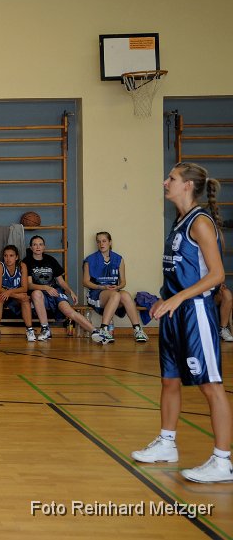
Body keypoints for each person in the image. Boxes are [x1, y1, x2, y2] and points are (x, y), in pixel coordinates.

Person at [132, 162, 231, 483]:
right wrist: (165, 297)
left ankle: (223, 461)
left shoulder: (199, 222)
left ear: (187, 185)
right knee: (169, 380)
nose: (165, 182)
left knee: (211, 385)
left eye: (172, 178)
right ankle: (167, 443)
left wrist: (179, 298)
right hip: (174, 313)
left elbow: (217, 275)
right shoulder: (178, 221)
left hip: (196, 313)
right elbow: (181, 270)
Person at [23, 235, 101, 342]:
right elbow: (29, 285)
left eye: (40, 244)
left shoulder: (50, 260)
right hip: (40, 295)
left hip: (54, 291)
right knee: (36, 293)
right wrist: (45, 287)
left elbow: (61, 281)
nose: (38, 247)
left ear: (44, 247)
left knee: (67, 310)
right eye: (35, 244)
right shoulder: (26, 262)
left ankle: (96, 332)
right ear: (31, 247)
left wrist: (70, 292)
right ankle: (45, 329)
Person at [82, 231, 149, 343]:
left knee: (126, 295)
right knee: (115, 295)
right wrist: (102, 287)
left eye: (104, 241)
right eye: (98, 242)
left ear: (110, 242)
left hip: (113, 291)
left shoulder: (119, 259)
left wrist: (117, 287)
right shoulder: (90, 260)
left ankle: (138, 330)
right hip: (96, 293)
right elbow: (85, 282)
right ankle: (103, 330)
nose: (101, 244)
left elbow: (123, 282)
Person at [0, 245, 34, 342]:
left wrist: (10, 292)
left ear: (16, 257)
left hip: (12, 292)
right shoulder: (0, 266)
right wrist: (14, 295)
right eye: (5, 256)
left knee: (25, 299)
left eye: (11, 255)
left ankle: (30, 330)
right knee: (0, 297)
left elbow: (24, 287)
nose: (8, 258)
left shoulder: (22, 266)